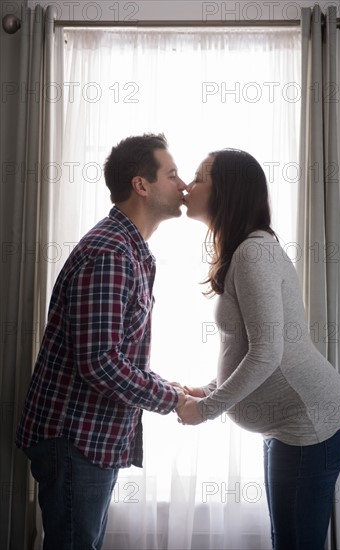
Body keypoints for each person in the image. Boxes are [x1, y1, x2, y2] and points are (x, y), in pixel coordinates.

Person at [176, 148, 340, 550]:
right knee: (286, 540)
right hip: (291, 428)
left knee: (293, 544)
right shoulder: (246, 250)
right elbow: (250, 346)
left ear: (226, 191)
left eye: (198, 178)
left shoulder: (253, 253)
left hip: (312, 427)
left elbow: (268, 352)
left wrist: (206, 410)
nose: (188, 186)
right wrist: (209, 388)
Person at [15, 133, 187, 550]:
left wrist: (173, 387)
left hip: (88, 438)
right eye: (173, 174)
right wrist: (174, 400)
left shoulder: (130, 249)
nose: (183, 185)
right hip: (74, 439)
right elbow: (100, 363)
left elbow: (116, 352)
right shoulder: (112, 253)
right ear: (141, 185)